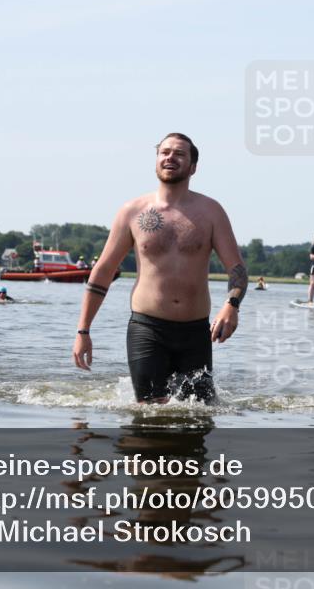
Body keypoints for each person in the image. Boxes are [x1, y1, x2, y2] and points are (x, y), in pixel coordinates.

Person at [72, 133, 247, 405]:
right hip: (147, 328)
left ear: (193, 166)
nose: (170, 157)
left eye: (179, 154)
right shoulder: (132, 212)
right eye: (164, 152)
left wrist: (232, 305)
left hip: (195, 332)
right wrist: (83, 331)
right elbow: (103, 272)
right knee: (150, 413)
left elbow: (237, 270)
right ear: (156, 160)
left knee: (197, 415)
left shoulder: (211, 212)